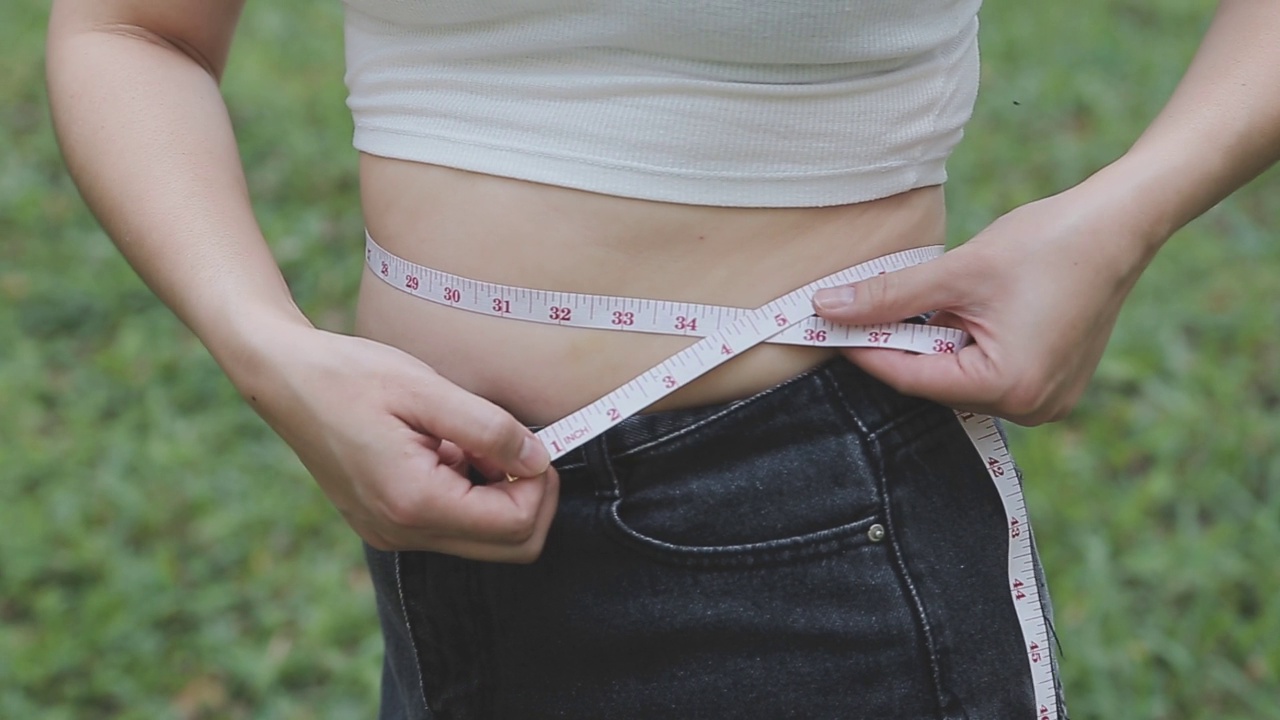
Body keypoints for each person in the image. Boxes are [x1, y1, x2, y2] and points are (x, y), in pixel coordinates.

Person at [45, 0, 1280, 718]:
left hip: (803, 533)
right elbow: (130, 26)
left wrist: (1123, 216)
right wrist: (267, 351)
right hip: (434, 546)